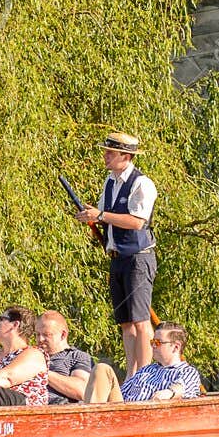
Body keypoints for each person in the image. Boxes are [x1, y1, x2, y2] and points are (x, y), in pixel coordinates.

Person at [74, 131, 157, 376]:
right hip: (117, 259)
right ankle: (132, 376)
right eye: (106, 151)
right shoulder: (110, 181)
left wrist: (100, 216)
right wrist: (92, 216)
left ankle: (144, 375)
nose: (105, 156)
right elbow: (106, 216)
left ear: (125, 156)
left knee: (141, 321)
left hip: (138, 258)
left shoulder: (142, 183)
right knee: (126, 323)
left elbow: (137, 222)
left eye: (111, 152)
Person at [116, 321, 202, 403]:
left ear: (176, 347)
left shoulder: (187, 371)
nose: (153, 346)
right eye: (152, 342)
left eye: (157, 342)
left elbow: (183, 387)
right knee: (104, 370)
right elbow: (121, 393)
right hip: (123, 411)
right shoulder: (146, 370)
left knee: (104, 369)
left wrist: (169, 393)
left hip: (149, 415)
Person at [37, 309, 93, 403]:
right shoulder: (31, 355)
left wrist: (42, 373)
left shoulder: (77, 356)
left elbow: (82, 391)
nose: (40, 339)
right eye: (37, 334)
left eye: (46, 335)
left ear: (63, 335)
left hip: (59, 409)